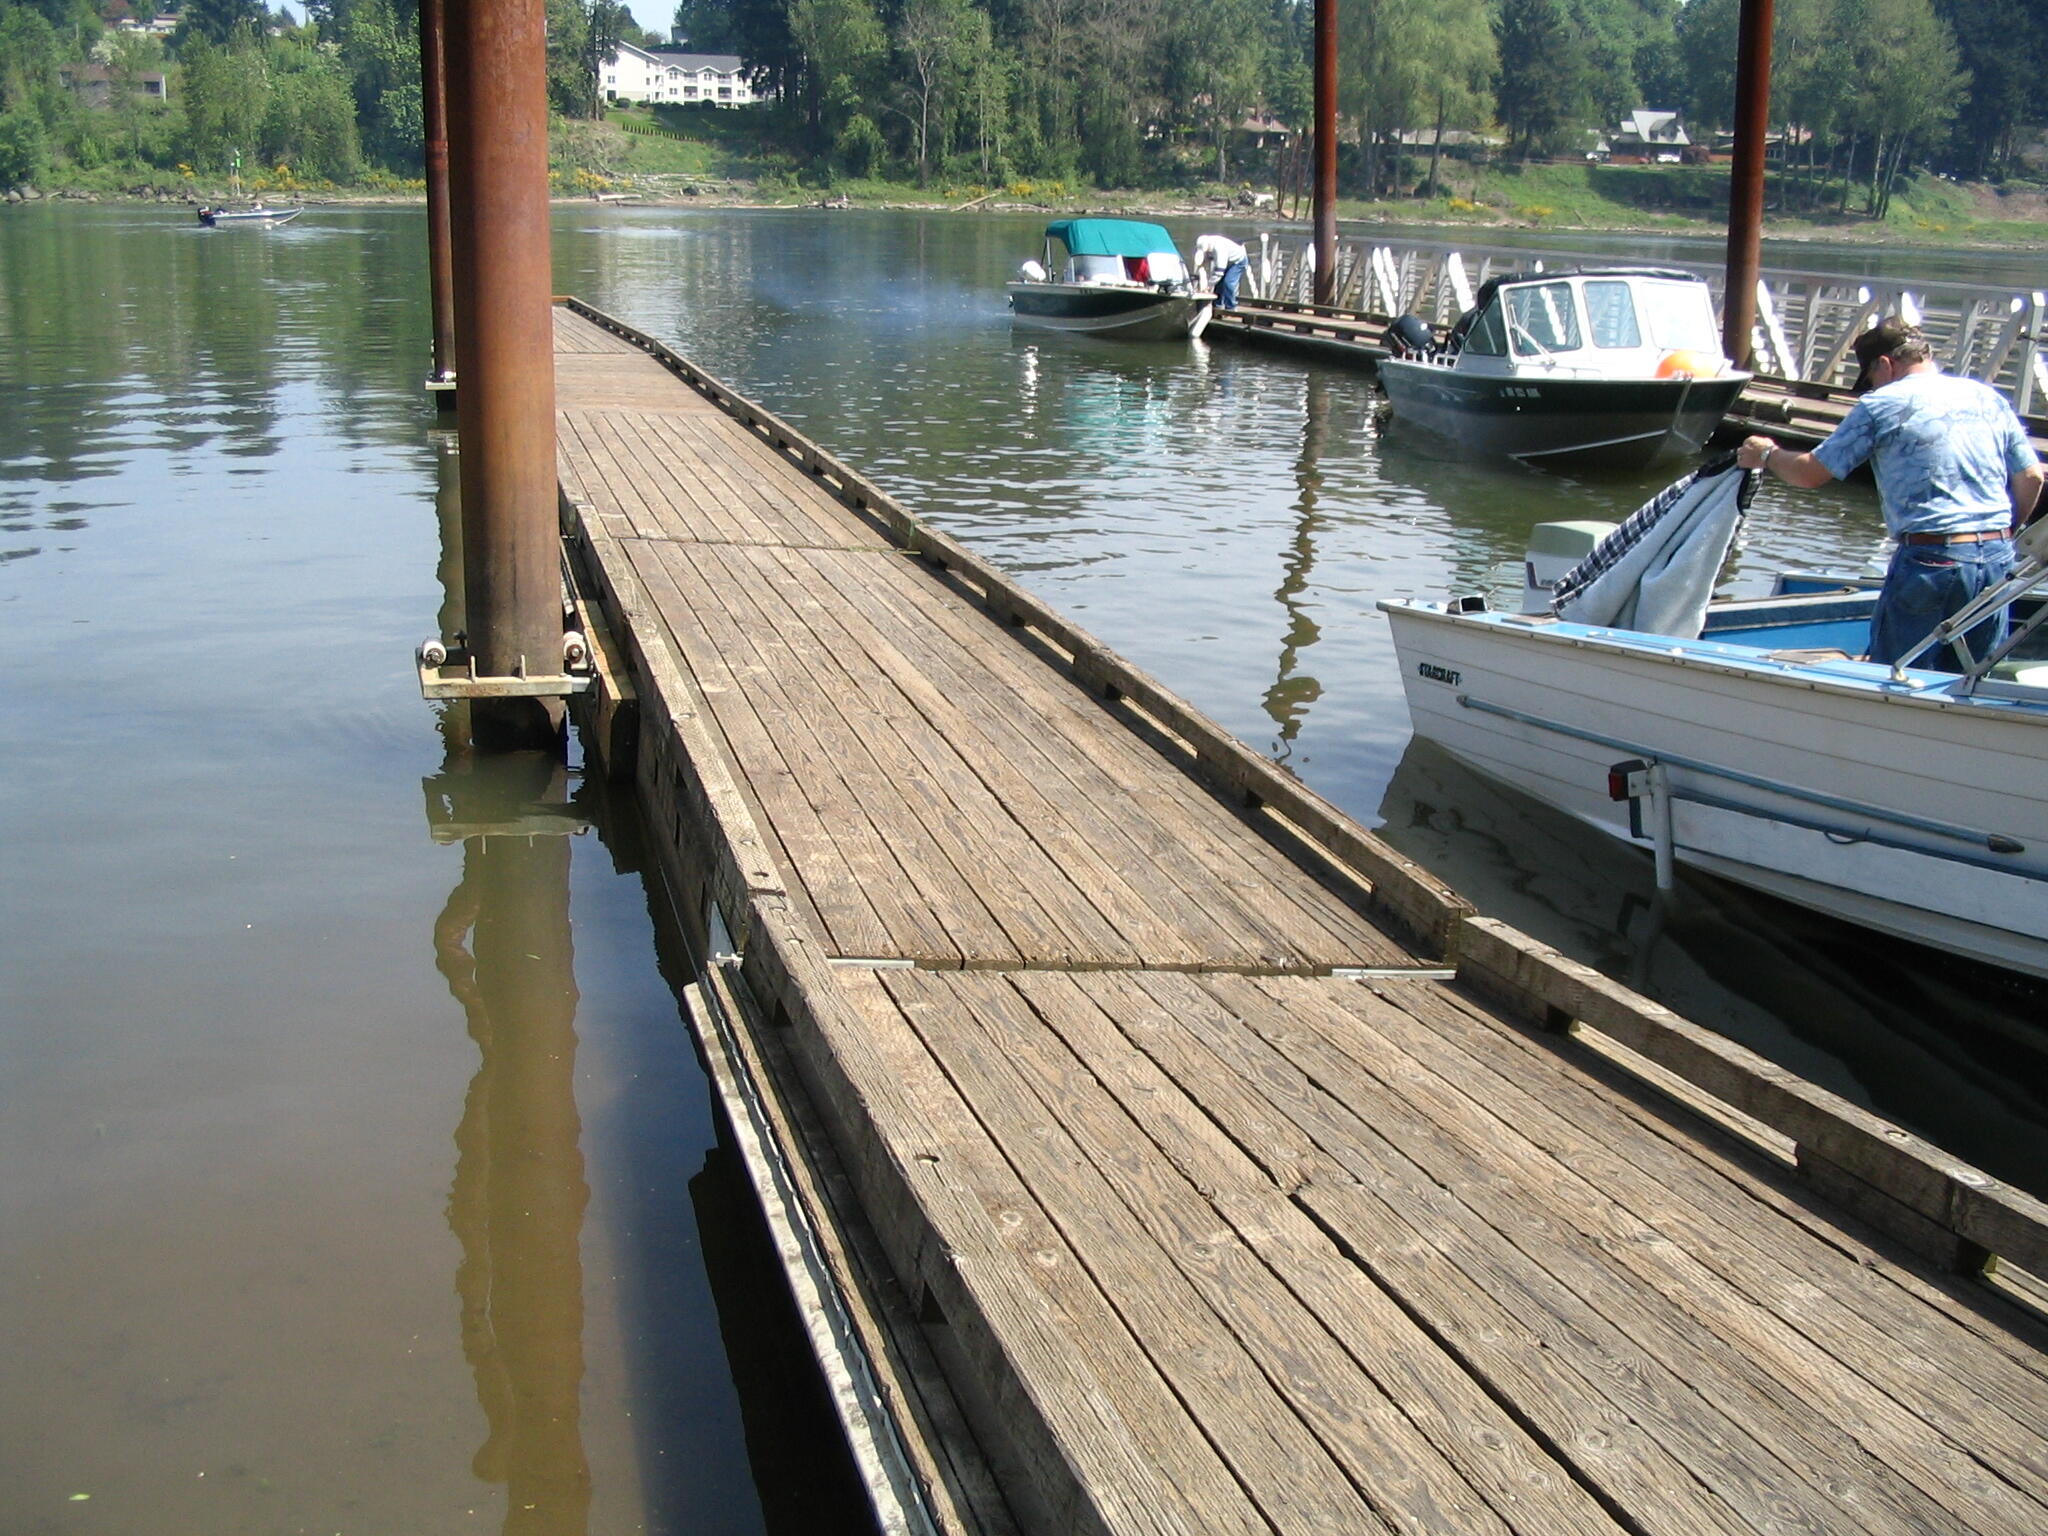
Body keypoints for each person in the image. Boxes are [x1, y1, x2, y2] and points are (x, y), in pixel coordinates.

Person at [1736, 317, 2043, 669]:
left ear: (1885, 364)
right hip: (1996, 556)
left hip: (1932, 557)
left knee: (1897, 675)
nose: (1871, 387)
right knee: (1972, 676)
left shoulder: (1881, 404)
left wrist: (1767, 454)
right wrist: (2004, 536)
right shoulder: (1987, 397)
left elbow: (1810, 474)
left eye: (1870, 378)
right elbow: (2032, 477)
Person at [1192, 233, 1250, 311]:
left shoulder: (1220, 248)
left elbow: (1219, 272)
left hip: (1238, 261)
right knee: (1219, 284)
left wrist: (1208, 286)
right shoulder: (1207, 243)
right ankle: (1217, 305)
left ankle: (1231, 307)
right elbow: (1206, 261)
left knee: (1228, 282)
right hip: (1228, 261)